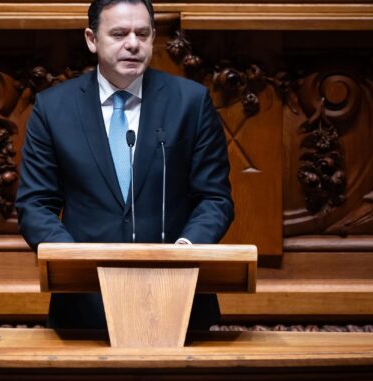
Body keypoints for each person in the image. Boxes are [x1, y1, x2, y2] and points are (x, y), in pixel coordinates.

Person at [15, 0, 234, 329]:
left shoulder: (191, 102)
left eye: (142, 34)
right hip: (84, 304)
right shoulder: (53, 108)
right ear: (92, 39)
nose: (133, 43)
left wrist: (185, 251)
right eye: (119, 33)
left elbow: (214, 198)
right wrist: (76, 262)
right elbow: (35, 204)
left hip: (178, 298)